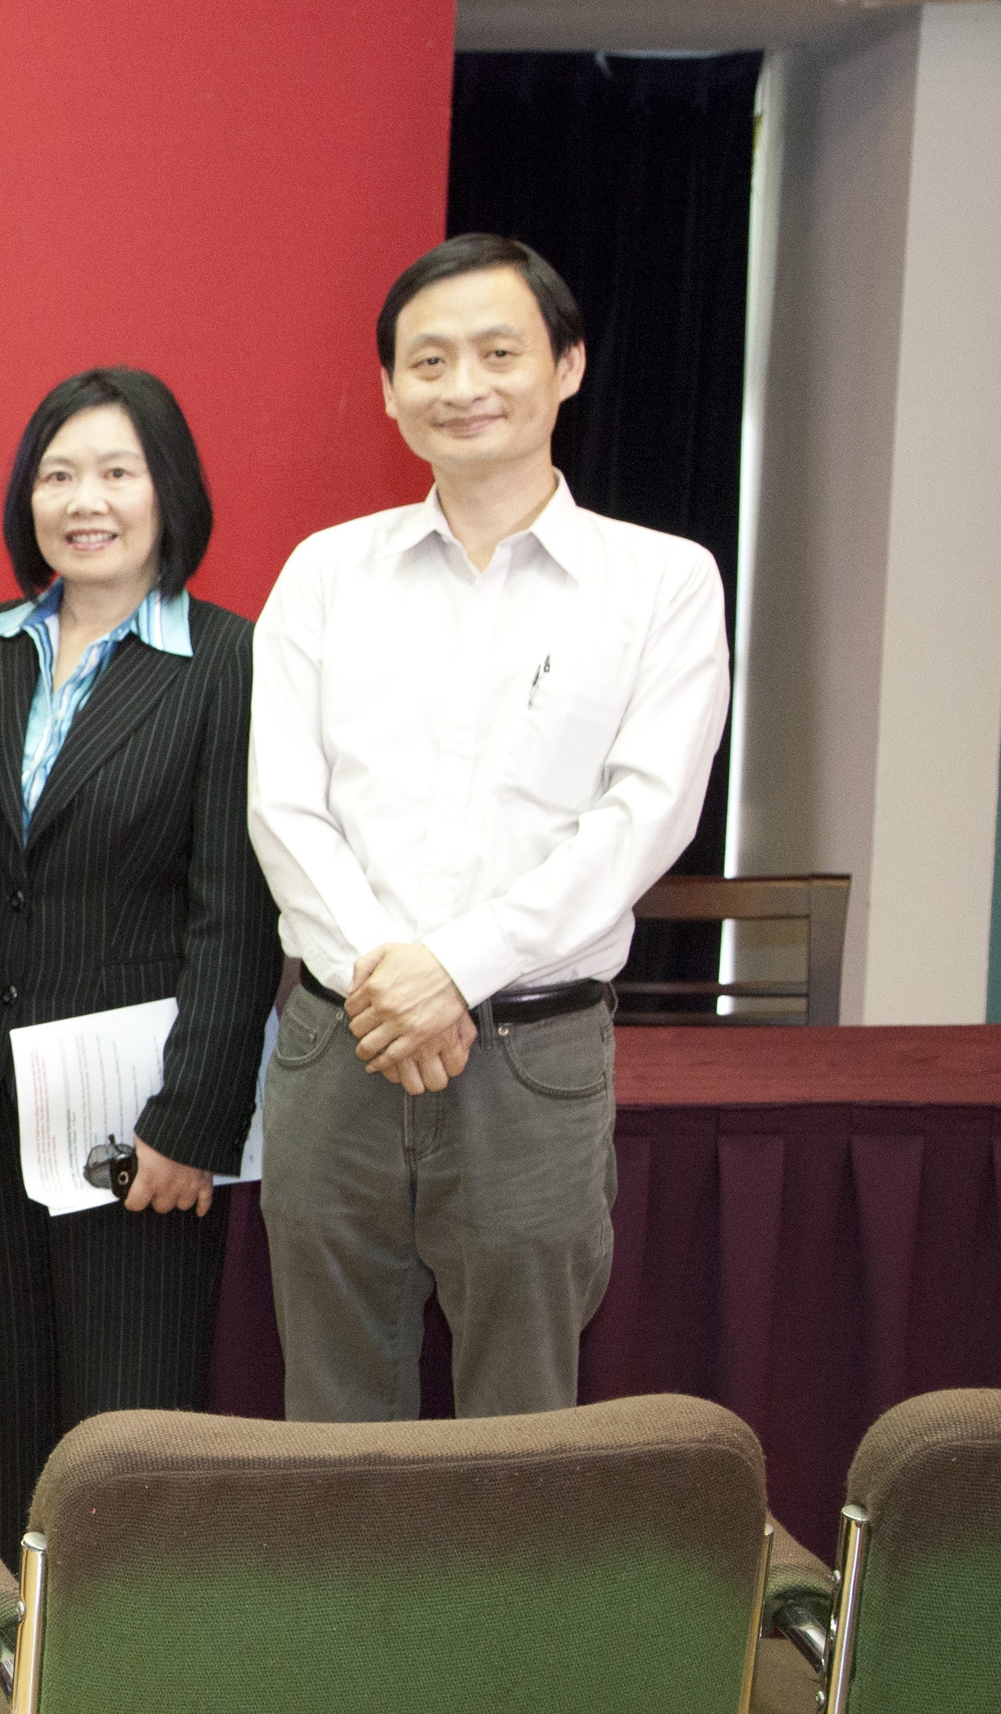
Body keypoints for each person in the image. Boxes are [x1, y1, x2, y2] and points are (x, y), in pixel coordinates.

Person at [246, 235, 728, 1420]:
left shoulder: (662, 582)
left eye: (499, 352)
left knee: (524, 1423)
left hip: (531, 1056)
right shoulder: (326, 573)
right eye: (429, 360)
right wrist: (390, 982)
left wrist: (453, 969)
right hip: (339, 1045)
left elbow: (643, 818)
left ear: (567, 365)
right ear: (388, 390)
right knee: (333, 1415)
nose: (464, 384)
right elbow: (285, 806)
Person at [0, 367, 278, 1543]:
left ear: (170, 493)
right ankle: (9, 1653)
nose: (84, 500)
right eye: (58, 474)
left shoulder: (229, 661)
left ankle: (121, 1662)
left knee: (127, 1437)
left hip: (137, 1125)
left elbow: (234, 912)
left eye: (117, 471)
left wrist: (194, 1121)